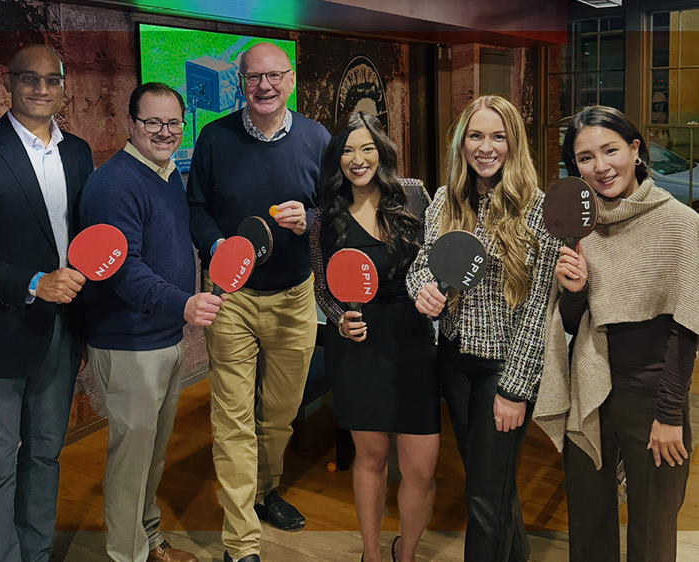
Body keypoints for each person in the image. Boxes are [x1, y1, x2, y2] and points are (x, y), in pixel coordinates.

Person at [534, 105, 699, 562]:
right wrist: (574, 289)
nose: (601, 167)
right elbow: (569, 322)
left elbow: (687, 328)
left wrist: (669, 415)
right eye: (585, 158)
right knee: (588, 523)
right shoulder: (579, 229)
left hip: (653, 395)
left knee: (652, 531)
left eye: (610, 151)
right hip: (590, 384)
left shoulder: (680, 224)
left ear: (635, 149)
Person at [186, 42, 330, 562]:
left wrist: (310, 219)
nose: (263, 86)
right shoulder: (213, 138)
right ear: (241, 83)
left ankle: (265, 491)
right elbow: (196, 207)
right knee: (233, 419)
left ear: (291, 81)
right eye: (253, 78)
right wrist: (219, 247)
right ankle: (241, 540)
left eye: (274, 76)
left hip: (295, 299)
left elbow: (336, 211)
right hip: (231, 300)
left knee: (281, 414)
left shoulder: (317, 138)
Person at [0, 44, 93, 562]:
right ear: (6, 84)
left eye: (50, 79)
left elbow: (84, 242)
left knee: (46, 457)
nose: (39, 88)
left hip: (59, 331)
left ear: (62, 86)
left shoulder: (77, 153)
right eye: (27, 79)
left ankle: (35, 553)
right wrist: (35, 281)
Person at [406, 95, 559, 562]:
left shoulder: (538, 210)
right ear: (462, 143)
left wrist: (515, 388)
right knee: (488, 482)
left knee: (484, 498)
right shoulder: (446, 201)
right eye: (476, 136)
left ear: (514, 142)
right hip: (454, 361)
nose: (486, 147)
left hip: (503, 369)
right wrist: (422, 291)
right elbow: (420, 264)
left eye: (497, 136)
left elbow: (538, 310)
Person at [79, 83, 224, 562]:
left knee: (152, 456)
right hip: (128, 344)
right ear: (131, 124)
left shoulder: (166, 175)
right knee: (131, 461)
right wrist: (183, 304)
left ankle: (149, 539)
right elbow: (123, 269)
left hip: (163, 337)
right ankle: (128, 555)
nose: (165, 133)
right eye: (153, 123)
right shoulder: (113, 184)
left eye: (174, 124)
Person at [310, 111, 440, 562]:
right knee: (371, 459)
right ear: (336, 159)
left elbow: (439, 262)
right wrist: (339, 320)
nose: (357, 158)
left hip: (413, 344)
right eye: (346, 150)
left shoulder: (415, 196)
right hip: (358, 347)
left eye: (366, 148)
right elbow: (322, 290)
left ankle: (406, 552)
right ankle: (371, 554)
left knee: (420, 469)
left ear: (381, 151)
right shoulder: (325, 216)